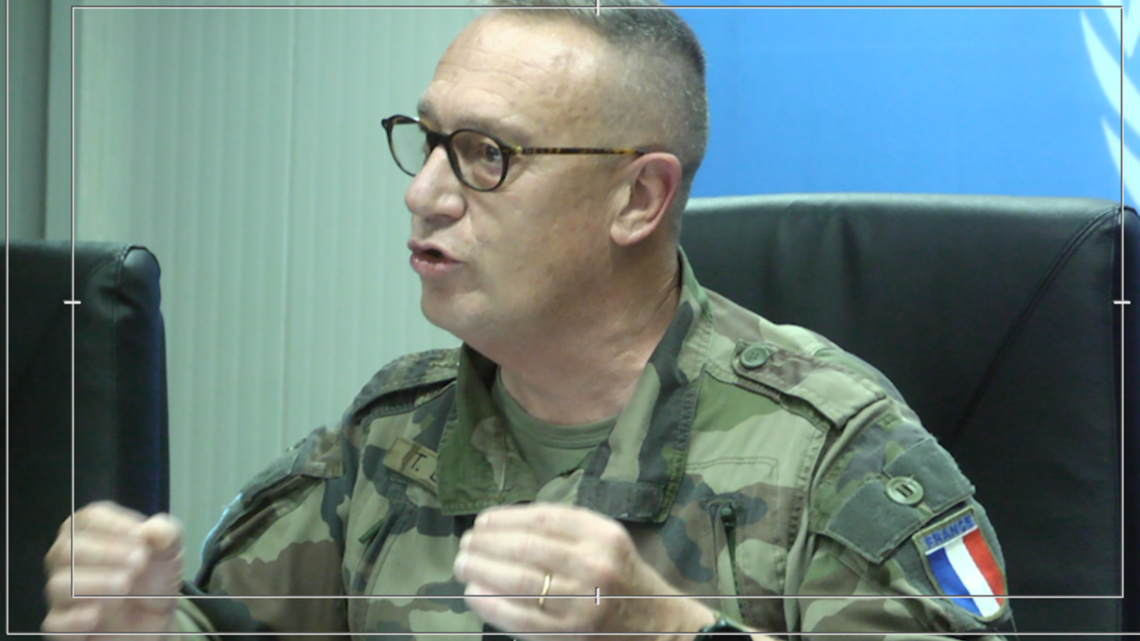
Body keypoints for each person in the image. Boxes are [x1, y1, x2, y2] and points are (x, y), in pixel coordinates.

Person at [41, 1, 1015, 639]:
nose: (425, 193)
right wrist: (139, 623)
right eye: (428, 141)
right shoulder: (393, 433)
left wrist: (663, 628)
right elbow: (225, 623)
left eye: (487, 155)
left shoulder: (832, 450)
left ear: (638, 198)